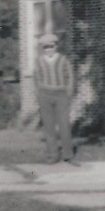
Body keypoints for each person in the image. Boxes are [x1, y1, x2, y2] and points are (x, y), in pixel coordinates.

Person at [34, 33, 79, 165]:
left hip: (61, 94)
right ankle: (52, 155)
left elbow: (70, 77)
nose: (49, 49)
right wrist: (38, 93)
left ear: (56, 46)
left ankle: (68, 155)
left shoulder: (63, 60)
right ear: (43, 48)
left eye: (51, 46)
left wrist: (68, 92)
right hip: (45, 94)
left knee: (64, 124)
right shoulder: (39, 61)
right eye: (46, 47)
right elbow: (36, 77)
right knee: (49, 126)